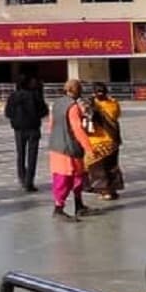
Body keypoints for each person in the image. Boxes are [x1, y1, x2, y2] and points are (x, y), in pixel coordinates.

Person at [48, 79, 94, 221]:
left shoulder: (56, 104)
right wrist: (89, 148)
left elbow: (51, 125)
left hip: (57, 145)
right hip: (68, 148)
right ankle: (58, 208)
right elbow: (77, 129)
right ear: (77, 90)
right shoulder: (73, 107)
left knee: (77, 176)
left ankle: (79, 205)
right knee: (65, 178)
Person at [6, 75, 49, 191]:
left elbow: (8, 112)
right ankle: (29, 181)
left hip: (19, 129)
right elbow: (44, 111)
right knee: (32, 155)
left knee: (20, 154)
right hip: (33, 128)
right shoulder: (35, 95)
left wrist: (15, 120)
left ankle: (22, 177)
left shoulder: (13, 96)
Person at [85, 82, 125, 198]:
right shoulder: (113, 103)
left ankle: (104, 191)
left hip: (96, 141)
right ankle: (113, 190)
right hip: (113, 140)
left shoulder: (91, 104)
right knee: (112, 166)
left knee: (98, 169)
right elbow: (117, 115)